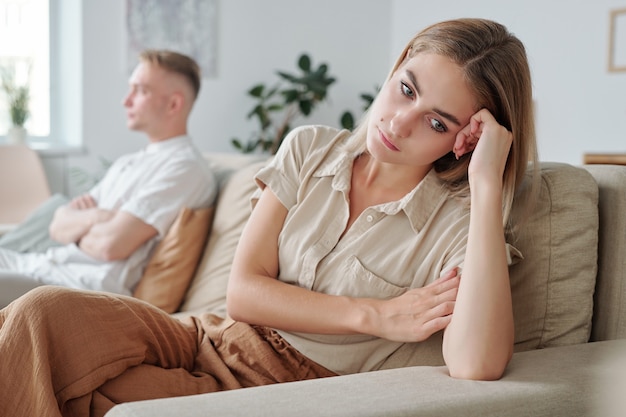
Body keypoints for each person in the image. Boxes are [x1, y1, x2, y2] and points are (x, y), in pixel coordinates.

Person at [0, 18, 538, 417]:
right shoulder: (310, 149)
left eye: (437, 122)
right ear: (397, 65)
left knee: (71, 388)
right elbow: (242, 293)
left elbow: (476, 365)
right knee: (40, 312)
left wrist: (488, 184)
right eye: (405, 88)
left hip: (276, 386)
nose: (399, 122)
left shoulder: (460, 222)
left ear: (467, 140)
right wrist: (375, 314)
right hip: (206, 334)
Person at [0, 50, 217, 305]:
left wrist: (80, 227)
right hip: (39, 265)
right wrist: (98, 217)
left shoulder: (184, 169)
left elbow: (109, 245)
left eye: (140, 90)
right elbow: (57, 226)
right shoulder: (129, 162)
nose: (126, 101)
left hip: (74, 287)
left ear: (173, 104)